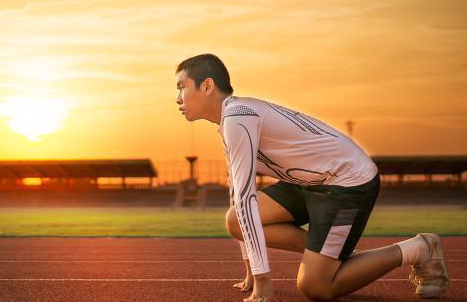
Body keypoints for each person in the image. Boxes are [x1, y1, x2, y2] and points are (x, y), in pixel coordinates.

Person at [174, 54, 448, 301]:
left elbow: (247, 198)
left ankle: (420, 248)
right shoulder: (228, 123)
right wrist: (249, 270)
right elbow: (238, 195)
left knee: (316, 288)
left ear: (207, 86)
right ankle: (330, 256)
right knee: (234, 220)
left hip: (347, 183)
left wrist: (263, 279)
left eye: (181, 87)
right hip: (309, 184)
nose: (177, 98)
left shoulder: (238, 117)